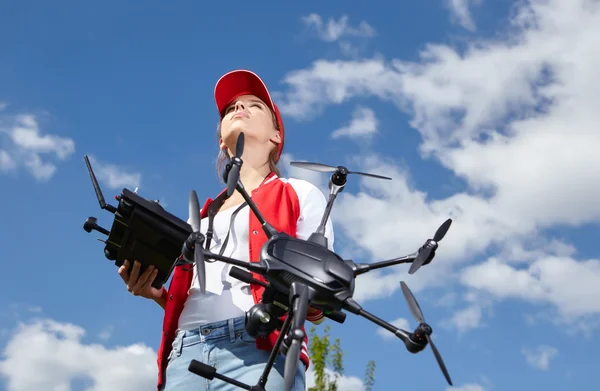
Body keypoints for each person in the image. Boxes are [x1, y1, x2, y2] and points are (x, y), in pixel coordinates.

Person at [118, 69, 335, 391]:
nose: (239, 108)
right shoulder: (200, 218)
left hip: (260, 349)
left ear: (276, 136)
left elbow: (318, 299)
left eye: (254, 105)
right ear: (221, 137)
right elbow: (197, 298)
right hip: (185, 354)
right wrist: (156, 294)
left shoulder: (299, 193)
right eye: (231, 108)